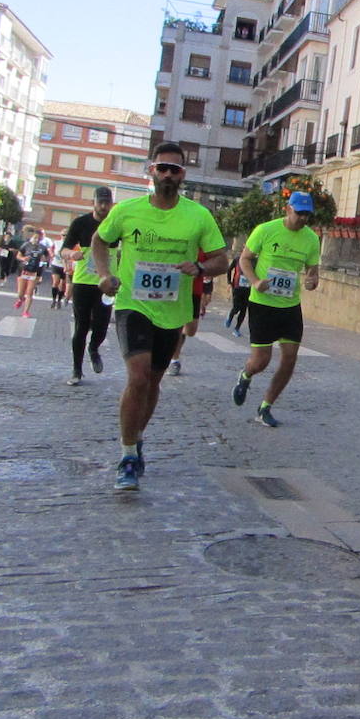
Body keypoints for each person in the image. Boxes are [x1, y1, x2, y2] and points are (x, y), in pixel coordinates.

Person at [91, 142, 228, 492]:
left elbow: (221, 260)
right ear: (151, 170)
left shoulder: (198, 216)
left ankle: (136, 441)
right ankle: (126, 456)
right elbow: (99, 241)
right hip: (133, 304)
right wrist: (104, 275)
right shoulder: (127, 211)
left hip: (173, 310)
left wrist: (198, 267)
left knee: (152, 382)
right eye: (162, 167)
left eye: (175, 169)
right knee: (137, 377)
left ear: (183, 175)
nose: (168, 174)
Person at [231, 191, 321, 428]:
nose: (303, 218)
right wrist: (255, 282)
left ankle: (266, 406)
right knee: (261, 360)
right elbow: (245, 259)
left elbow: (313, 272)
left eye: (307, 215)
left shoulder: (311, 239)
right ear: (288, 209)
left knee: (290, 358)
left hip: (290, 305)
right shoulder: (266, 230)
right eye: (299, 213)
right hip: (262, 303)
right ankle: (246, 375)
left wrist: (312, 282)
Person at [61, 187, 115, 386]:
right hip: (83, 282)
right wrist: (71, 254)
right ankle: (77, 370)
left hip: (106, 283)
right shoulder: (81, 223)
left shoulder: (115, 224)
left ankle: (94, 348)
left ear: (112, 204)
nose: (103, 206)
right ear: (93, 202)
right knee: (81, 326)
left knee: (102, 325)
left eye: (106, 203)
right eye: (100, 202)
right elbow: (63, 249)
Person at [168, 249, 211, 376]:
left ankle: (171, 344)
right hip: (172, 288)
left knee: (190, 330)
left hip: (194, 290)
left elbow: (214, 262)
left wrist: (203, 269)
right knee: (176, 325)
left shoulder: (202, 245)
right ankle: (174, 360)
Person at [14, 229, 48, 318]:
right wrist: (23, 258)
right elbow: (18, 256)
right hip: (23, 270)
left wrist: (44, 259)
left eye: (38, 238)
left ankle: (26, 312)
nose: (36, 240)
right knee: (20, 293)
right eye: (35, 238)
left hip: (34, 272)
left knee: (30, 292)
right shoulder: (26, 245)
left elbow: (47, 257)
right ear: (32, 237)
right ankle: (21, 299)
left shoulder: (42, 248)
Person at [225, 256, 250, 337]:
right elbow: (229, 269)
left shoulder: (256, 261)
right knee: (236, 308)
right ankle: (230, 316)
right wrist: (229, 282)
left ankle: (237, 329)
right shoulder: (237, 259)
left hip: (248, 288)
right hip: (237, 287)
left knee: (243, 310)